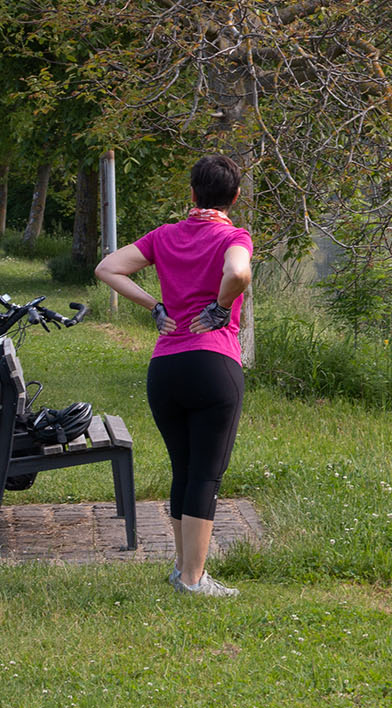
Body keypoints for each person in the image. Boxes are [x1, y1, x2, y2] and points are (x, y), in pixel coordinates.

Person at [93, 154, 253, 599]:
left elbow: (107, 268)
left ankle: (183, 570)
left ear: (192, 193)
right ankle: (193, 580)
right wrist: (220, 307)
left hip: (164, 369)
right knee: (206, 474)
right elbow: (238, 271)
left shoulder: (164, 236)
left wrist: (155, 306)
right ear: (234, 197)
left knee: (183, 469)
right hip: (213, 365)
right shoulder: (233, 235)